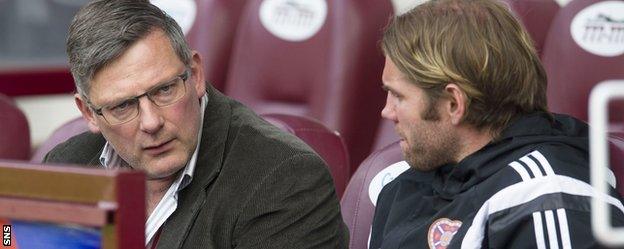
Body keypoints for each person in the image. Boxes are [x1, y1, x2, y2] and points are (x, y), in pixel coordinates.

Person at [43, 0, 349, 248]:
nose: (151, 123)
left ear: (196, 74)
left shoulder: (284, 179)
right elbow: (8, 239)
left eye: (164, 90)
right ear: (88, 114)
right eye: (123, 106)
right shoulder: (65, 164)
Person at [370, 0, 624, 248]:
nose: (386, 111)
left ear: (453, 104)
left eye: (399, 96)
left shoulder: (546, 197)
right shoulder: (401, 189)